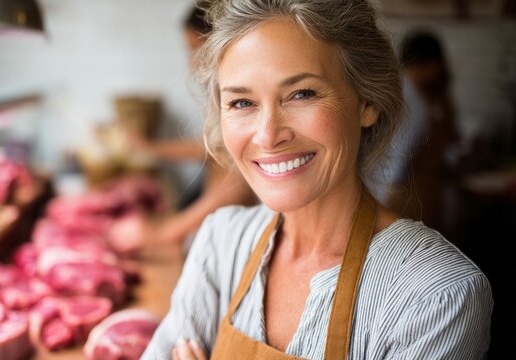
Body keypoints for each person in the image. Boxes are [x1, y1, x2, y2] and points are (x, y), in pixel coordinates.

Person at [141, 1, 492, 359]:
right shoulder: (220, 243)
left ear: (367, 102)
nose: (267, 135)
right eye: (242, 102)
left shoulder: (436, 295)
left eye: (302, 94)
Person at [108, 7, 255, 252]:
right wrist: (151, 148)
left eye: (197, 49)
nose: (192, 63)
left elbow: (236, 187)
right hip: (221, 230)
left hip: (234, 237)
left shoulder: (242, 97)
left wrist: (163, 232)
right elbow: (212, 146)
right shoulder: (224, 98)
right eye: (189, 51)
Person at [383, 31, 459, 232]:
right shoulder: (412, 102)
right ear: (432, 65)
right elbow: (396, 168)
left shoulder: (423, 97)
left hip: (419, 200)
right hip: (406, 202)